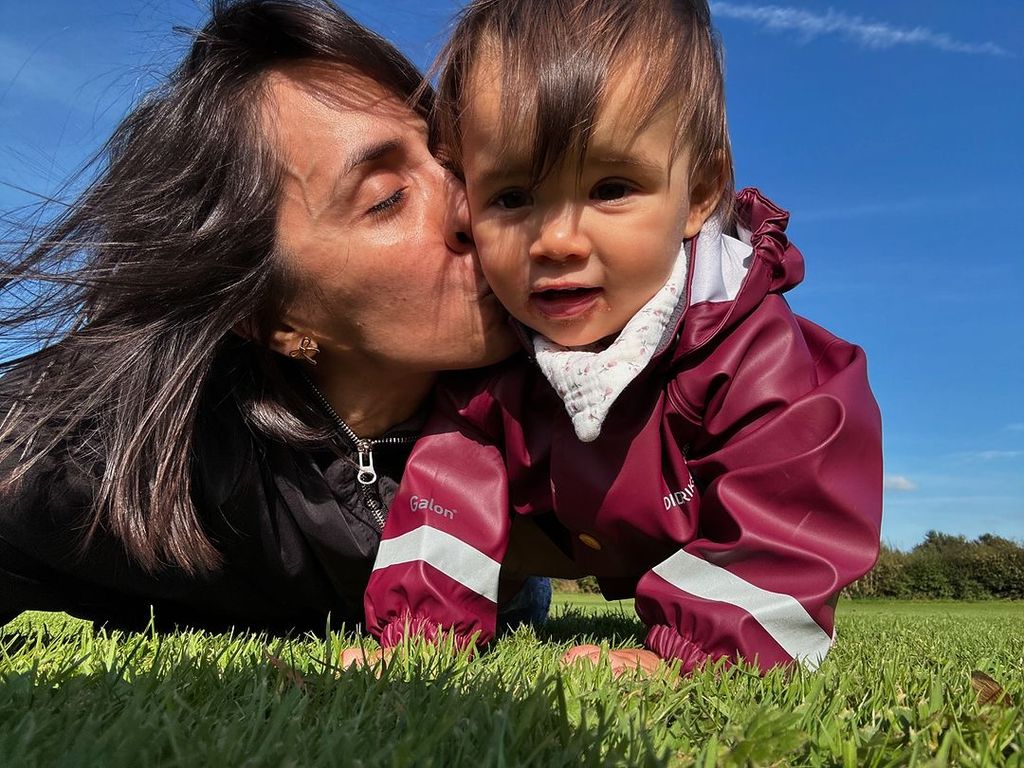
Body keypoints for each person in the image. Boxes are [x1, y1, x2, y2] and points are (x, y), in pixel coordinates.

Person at [364, 0, 883, 675]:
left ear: (698, 192)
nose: (556, 241)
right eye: (512, 198)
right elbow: (444, 501)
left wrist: (699, 651)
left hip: (691, 530)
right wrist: (416, 639)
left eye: (611, 187)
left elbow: (792, 511)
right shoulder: (491, 363)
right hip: (571, 540)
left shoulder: (750, 355)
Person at [0, 0, 549, 636]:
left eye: (451, 158)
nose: (470, 206)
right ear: (272, 318)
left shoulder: (583, 366)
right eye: (387, 199)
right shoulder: (101, 457)